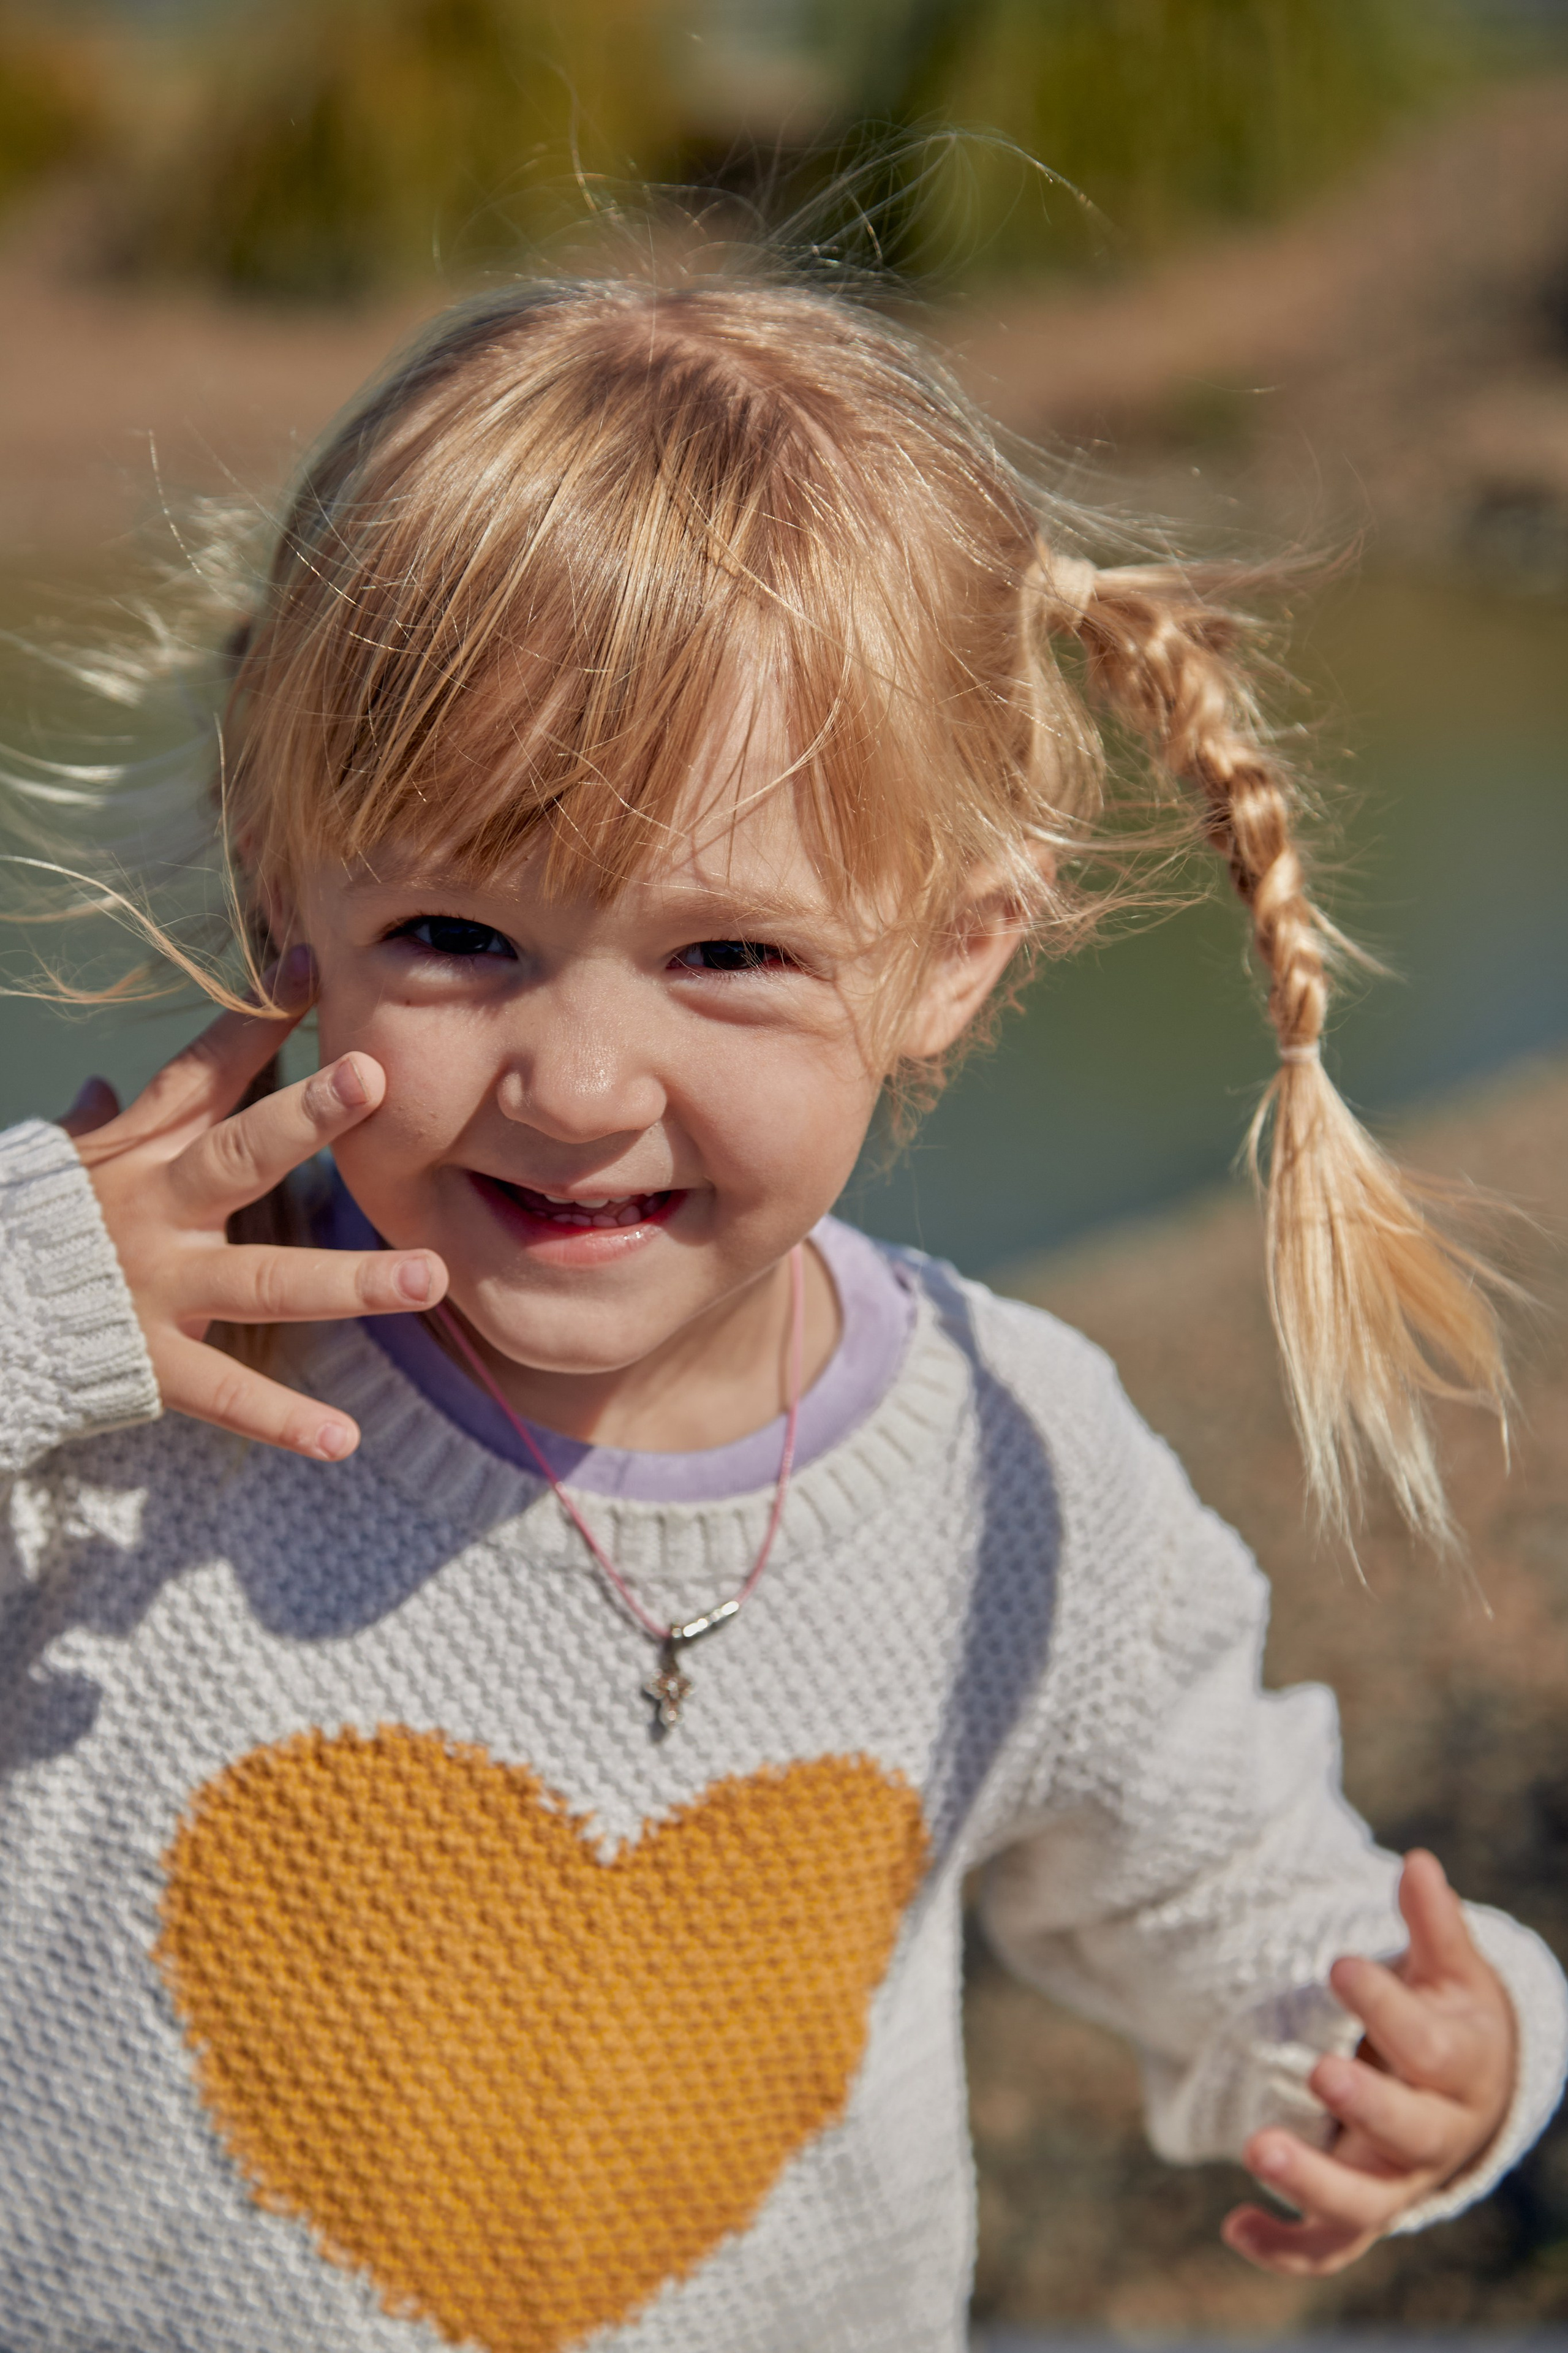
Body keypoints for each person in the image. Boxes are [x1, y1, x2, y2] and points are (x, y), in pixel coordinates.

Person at [1, 270, 1562, 2353]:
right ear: (288, 888)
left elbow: (1235, 1888)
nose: (575, 1082)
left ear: (950, 953)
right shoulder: (130, 1378)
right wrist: (32, 1311)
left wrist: (1429, 2050)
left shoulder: (1022, 1473)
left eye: (725, 953)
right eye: (457, 933)